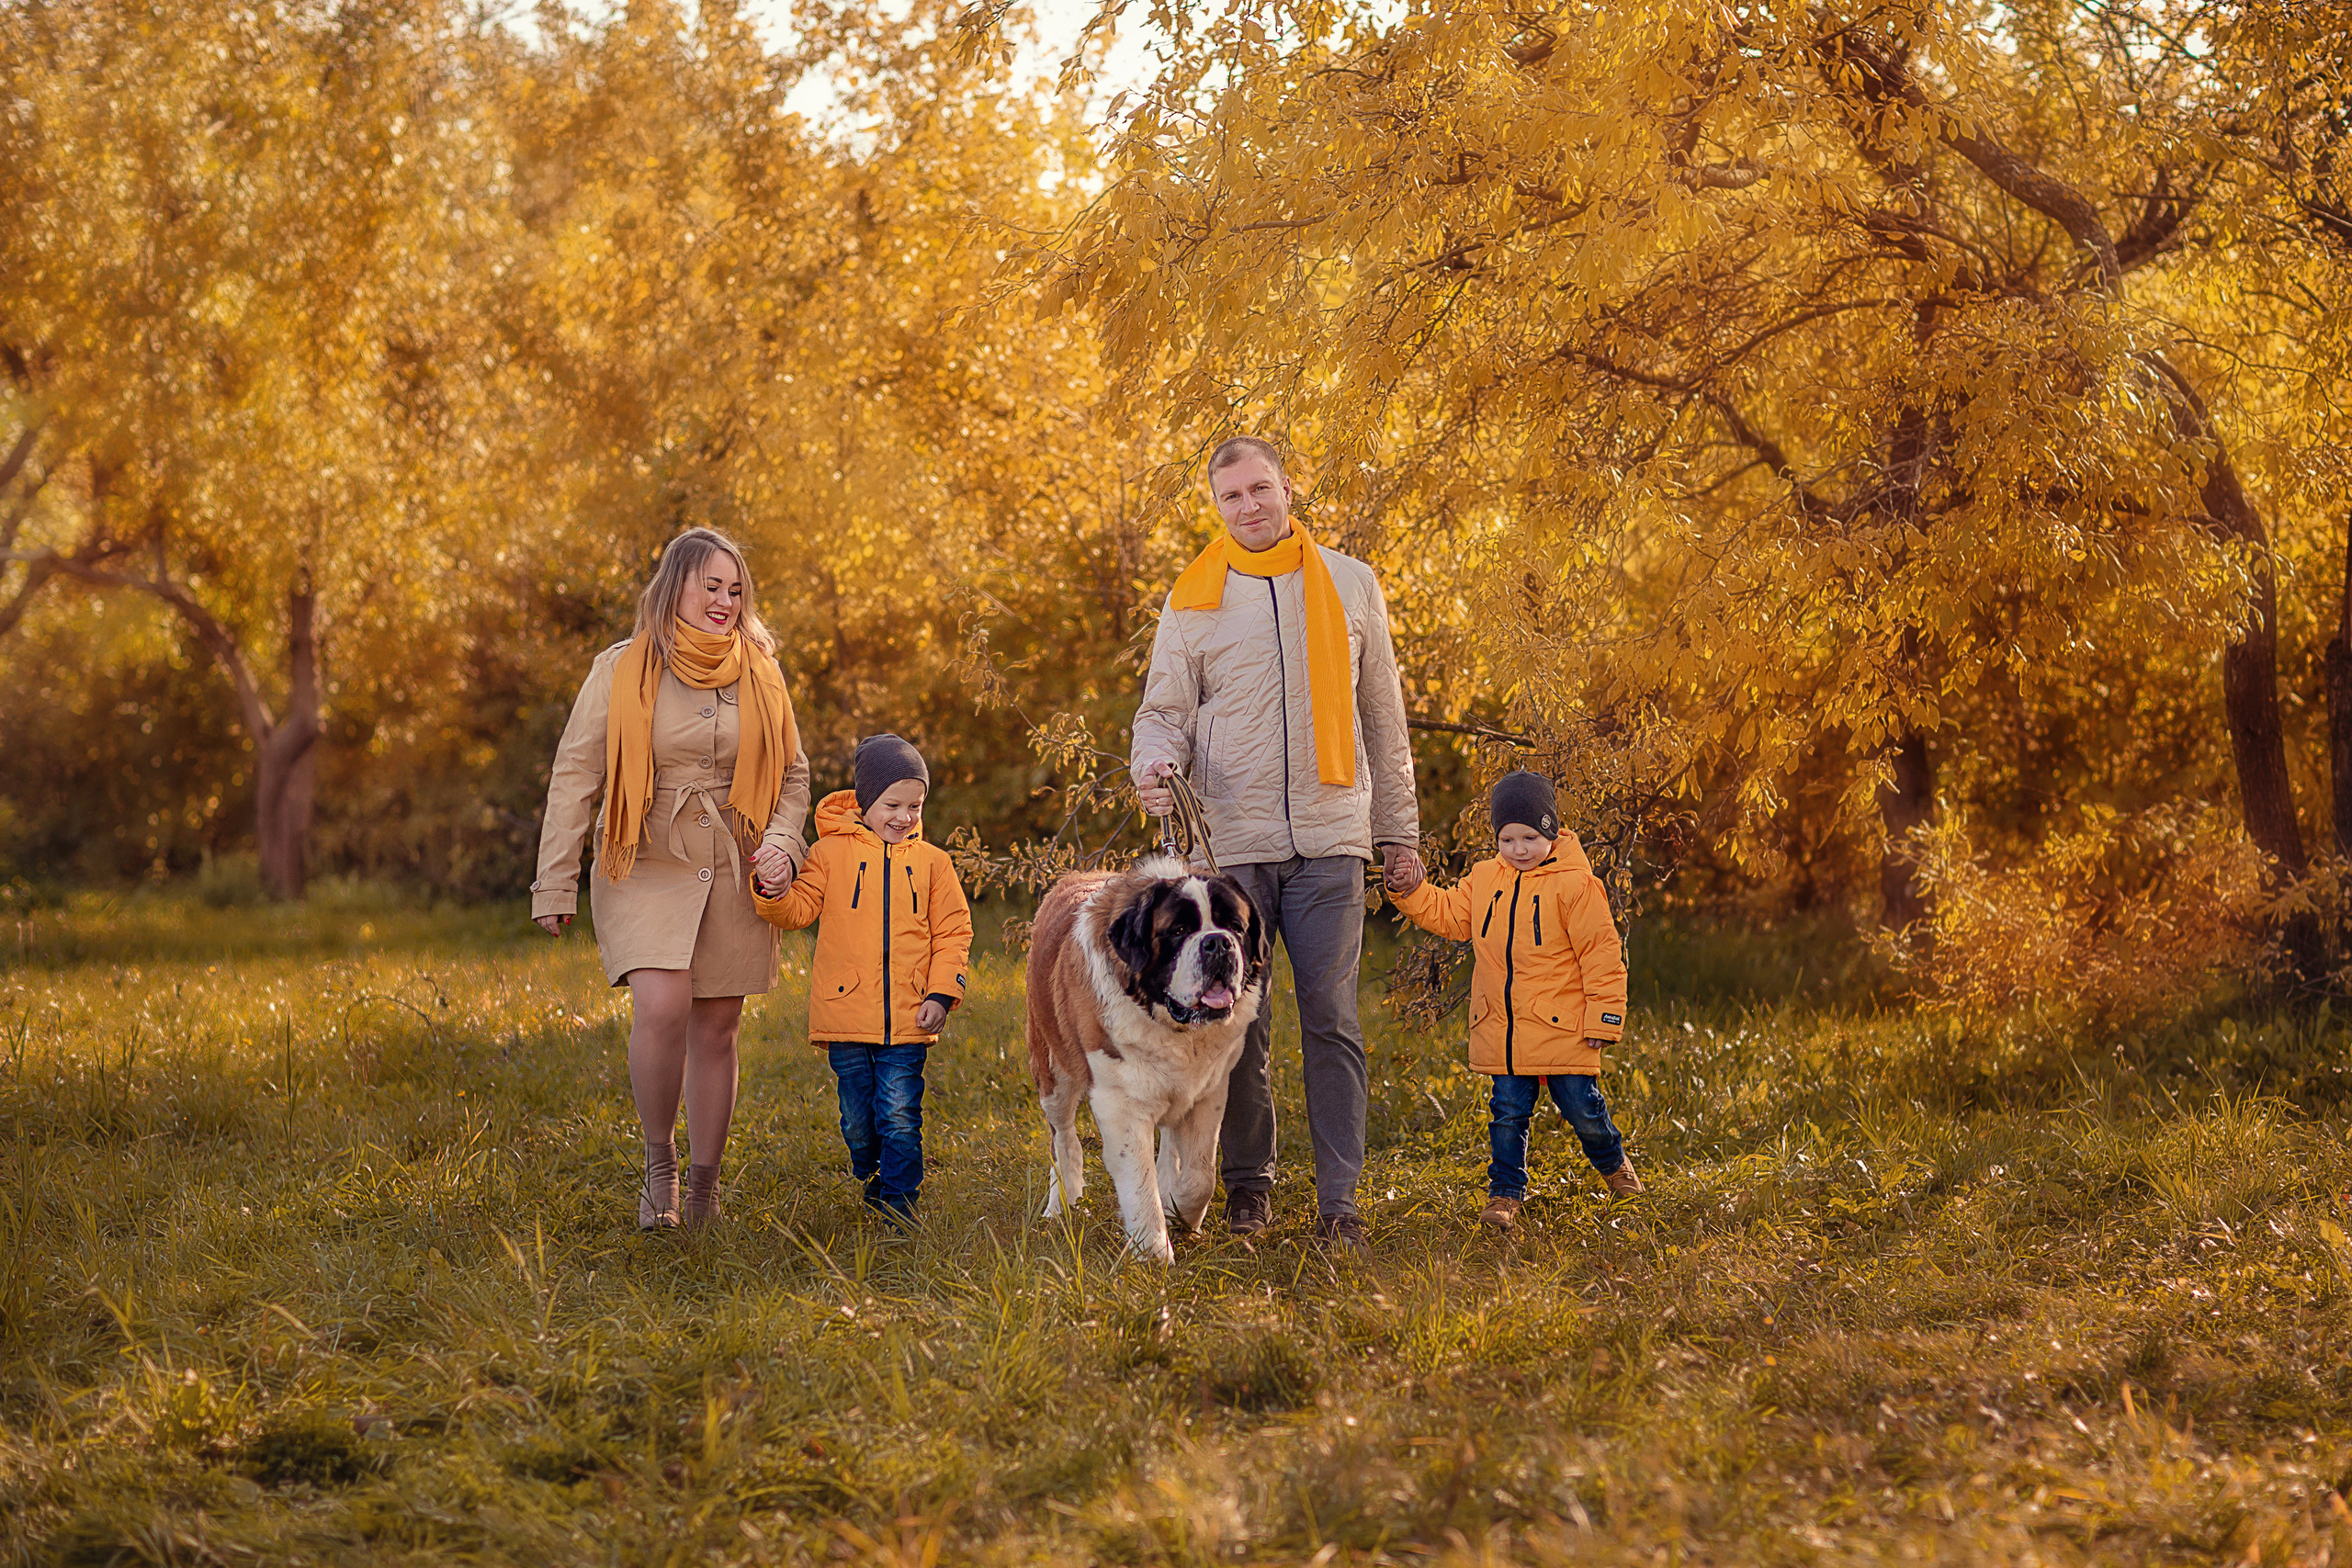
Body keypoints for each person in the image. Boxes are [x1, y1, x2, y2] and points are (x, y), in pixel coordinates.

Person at [1132, 435, 1423, 1254]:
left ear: (1288, 487)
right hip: (1235, 847)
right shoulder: (1194, 598)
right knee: (1238, 1024)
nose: (1249, 506)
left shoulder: (1350, 583)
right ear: (1216, 507)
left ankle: (1342, 1203)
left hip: (1334, 836)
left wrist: (1398, 830)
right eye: (1231, 497)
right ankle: (1249, 1189)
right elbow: (1164, 712)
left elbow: (1383, 720)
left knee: (1331, 1016)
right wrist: (1153, 763)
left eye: (1261, 488)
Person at [531, 527, 813, 1232]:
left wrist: (782, 840)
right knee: (662, 1004)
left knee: (716, 1028)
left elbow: (794, 775)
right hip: (643, 848)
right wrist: (554, 881)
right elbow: (576, 774)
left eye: (735, 589)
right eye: (710, 585)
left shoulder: (762, 671)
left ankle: (704, 1190)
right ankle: (659, 1167)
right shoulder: (622, 668)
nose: (724, 601)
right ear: (675, 585)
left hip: (731, 853)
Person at [1387, 770, 1642, 1228]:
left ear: (1551, 832)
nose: (1519, 849)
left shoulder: (1576, 886)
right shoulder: (1485, 879)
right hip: (1503, 1030)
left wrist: (1603, 1020)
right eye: (1507, 839)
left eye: (1529, 837)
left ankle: (1614, 1165)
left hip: (1563, 1028)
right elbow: (1448, 914)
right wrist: (1411, 892)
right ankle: (1504, 1194)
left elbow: (1602, 956)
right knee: (1507, 1115)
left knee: (1583, 1110)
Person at [752, 734, 972, 1225]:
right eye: (892, 804)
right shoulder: (830, 854)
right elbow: (799, 909)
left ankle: (900, 1204)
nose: (905, 816)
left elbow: (955, 931)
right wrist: (772, 890)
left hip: (911, 1014)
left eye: (915, 805)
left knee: (898, 1114)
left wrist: (942, 992)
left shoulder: (934, 864)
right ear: (866, 802)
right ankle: (870, 1172)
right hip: (844, 1012)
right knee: (858, 1121)